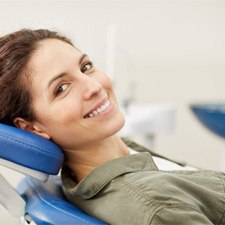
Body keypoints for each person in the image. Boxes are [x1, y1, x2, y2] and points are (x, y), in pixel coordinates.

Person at [0, 28, 225, 225]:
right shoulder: (156, 208)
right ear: (32, 129)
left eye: (86, 67)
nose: (94, 86)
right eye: (62, 88)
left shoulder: (122, 156)